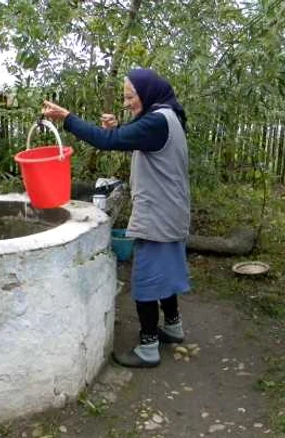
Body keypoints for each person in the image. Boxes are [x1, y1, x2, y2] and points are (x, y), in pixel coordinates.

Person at [42, 68, 190, 368]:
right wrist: (120, 127)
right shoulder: (167, 116)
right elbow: (132, 137)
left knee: (147, 277)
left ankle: (148, 347)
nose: (127, 103)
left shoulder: (158, 120)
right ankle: (173, 326)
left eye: (130, 97)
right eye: (125, 98)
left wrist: (68, 118)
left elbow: (107, 141)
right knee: (167, 270)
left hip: (157, 214)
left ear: (147, 93)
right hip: (172, 209)